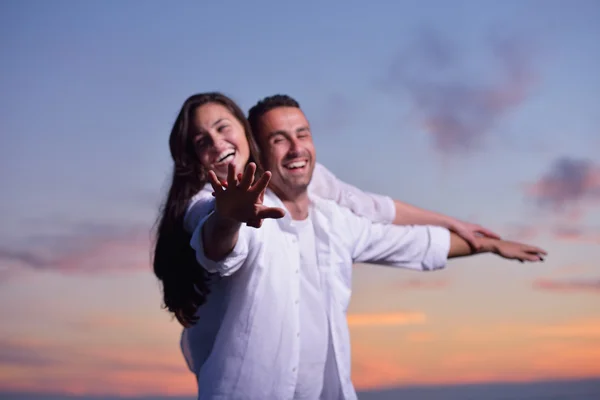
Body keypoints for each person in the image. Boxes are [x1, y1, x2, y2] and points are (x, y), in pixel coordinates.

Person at [157, 93, 547, 399]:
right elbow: (215, 244)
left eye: (302, 135)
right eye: (279, 139)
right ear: (259, 145)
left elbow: (404, 236)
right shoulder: (212, 205)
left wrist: (487, 245)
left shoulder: (333, 216)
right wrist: (229, 217)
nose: (295, 148)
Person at [153, 92, 500, 328]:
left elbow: (375, 208)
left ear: (245, 134)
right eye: (201, 141)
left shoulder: (307, 185)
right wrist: (227, 217)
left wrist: (457, 224)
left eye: (222, 127)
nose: (217, 143)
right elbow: (214, 237)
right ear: (193, 159)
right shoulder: (199, 203)